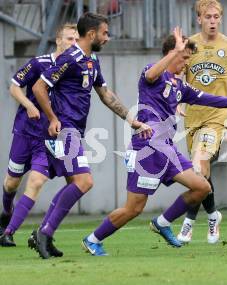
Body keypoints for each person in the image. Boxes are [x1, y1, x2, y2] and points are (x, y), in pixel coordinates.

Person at [81, 27, 227, 256]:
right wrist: (174, 53)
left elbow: (210, 99)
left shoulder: (180, 86)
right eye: (184, 58)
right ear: (172, 53)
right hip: (148, 149)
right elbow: (151, 75)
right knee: (134, 208)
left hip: (167, 149)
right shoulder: (152, 74)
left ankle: (162, 222)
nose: (186, 64)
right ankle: (92, 239)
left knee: (202, 187)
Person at [31, 12, 149, 259]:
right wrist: (53, 118)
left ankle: (44, 233)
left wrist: (132, 120)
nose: (108, 37)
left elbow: (106, 95)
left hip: (74, 131)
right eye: (105, 33)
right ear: (92, 34)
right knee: (84, 182)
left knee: (76, 184)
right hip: (64, 130)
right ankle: (44, 233)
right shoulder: (70, 58)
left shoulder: (92, 60)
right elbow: (38, 87)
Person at [177, 0, 227, 245]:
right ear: (199, 19)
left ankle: (188, 222)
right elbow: (178, 72)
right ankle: (212, 215)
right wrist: (176, 99)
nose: (212, 21)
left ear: (220, 18)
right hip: (192, 116)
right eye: (207, 17)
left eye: (216, 16)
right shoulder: (189, 44)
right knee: (201, 173)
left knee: (199, 165)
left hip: (217, 116)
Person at [0, 24, 78, 248]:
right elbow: (14, 86)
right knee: (11, 182)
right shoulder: (39, 63)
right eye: (69, 39)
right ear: (58, 40)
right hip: (25, 132)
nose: (73, 43)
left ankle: (8, 232)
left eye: (76, 39)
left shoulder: (75, 68)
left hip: (49, 137)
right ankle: (6, 211)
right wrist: (28, 105)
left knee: (37, 180)